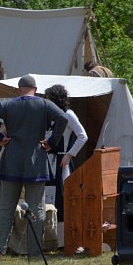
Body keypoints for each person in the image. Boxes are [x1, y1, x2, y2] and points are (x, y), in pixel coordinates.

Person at [0, 74, 68, 257]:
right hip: (36, 162)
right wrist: (51, 141)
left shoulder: (8, 104)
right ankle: (35, 251)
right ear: (35, 89)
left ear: (19, 89)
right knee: (37, 208)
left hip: (11, 161)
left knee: (6, 208)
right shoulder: (44, 104)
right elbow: (62, 119)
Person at [42, 84, 89, 225]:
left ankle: (62, 231)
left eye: (48, 98)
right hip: (47, 161)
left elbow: (82, 136)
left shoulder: (68, 114)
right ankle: (49, 230)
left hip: (61, 162)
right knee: (47, 195)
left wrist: (69, 154)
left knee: (62, 196)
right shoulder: (48, 116)